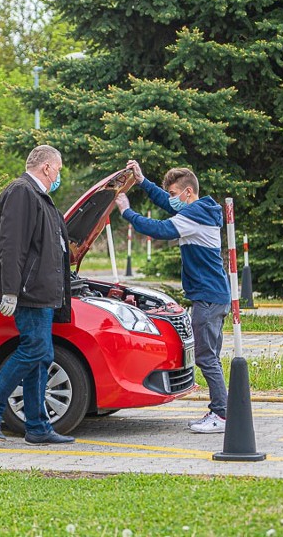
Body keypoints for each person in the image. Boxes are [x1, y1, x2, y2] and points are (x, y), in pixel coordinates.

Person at [114, 160, 231, 434]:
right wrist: (142, 182)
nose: (171, 199)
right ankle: (220, 409)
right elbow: (168, 206)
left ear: (188, 192)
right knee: (209, 355)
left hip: (208, 298)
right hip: (213, 296)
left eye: (175, 194)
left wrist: (127, 211)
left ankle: (222, 414)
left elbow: (159, 229)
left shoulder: (196, 216)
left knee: (205, 357)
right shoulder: (201, 211)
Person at [0, 145, 74, 445]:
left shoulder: (39, 197)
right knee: (34, 350)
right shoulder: (21, 192)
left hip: (40, 292)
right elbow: (11, 245)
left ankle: (37, 427)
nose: (58, 175)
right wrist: (10, 290)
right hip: (28, 293)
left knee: (42, 355)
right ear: (46, 167)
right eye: (57, 169)